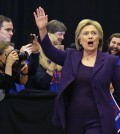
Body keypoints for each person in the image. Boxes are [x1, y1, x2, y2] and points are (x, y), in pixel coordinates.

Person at [33, 7, 120, 134]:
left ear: (99, 38)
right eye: (85, 33)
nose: (90, 36)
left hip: (99, 121)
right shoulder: (70, 56)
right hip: (73, 120)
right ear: (79, 39)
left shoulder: (110, 61)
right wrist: (42, 30)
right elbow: (50, 51)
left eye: (94, 33)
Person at [0, 15, 40, 93]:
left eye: (12, 30)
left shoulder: (10, 49)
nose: (11, 33)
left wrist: (35, 53)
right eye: (8, 30)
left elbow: (31, 72)